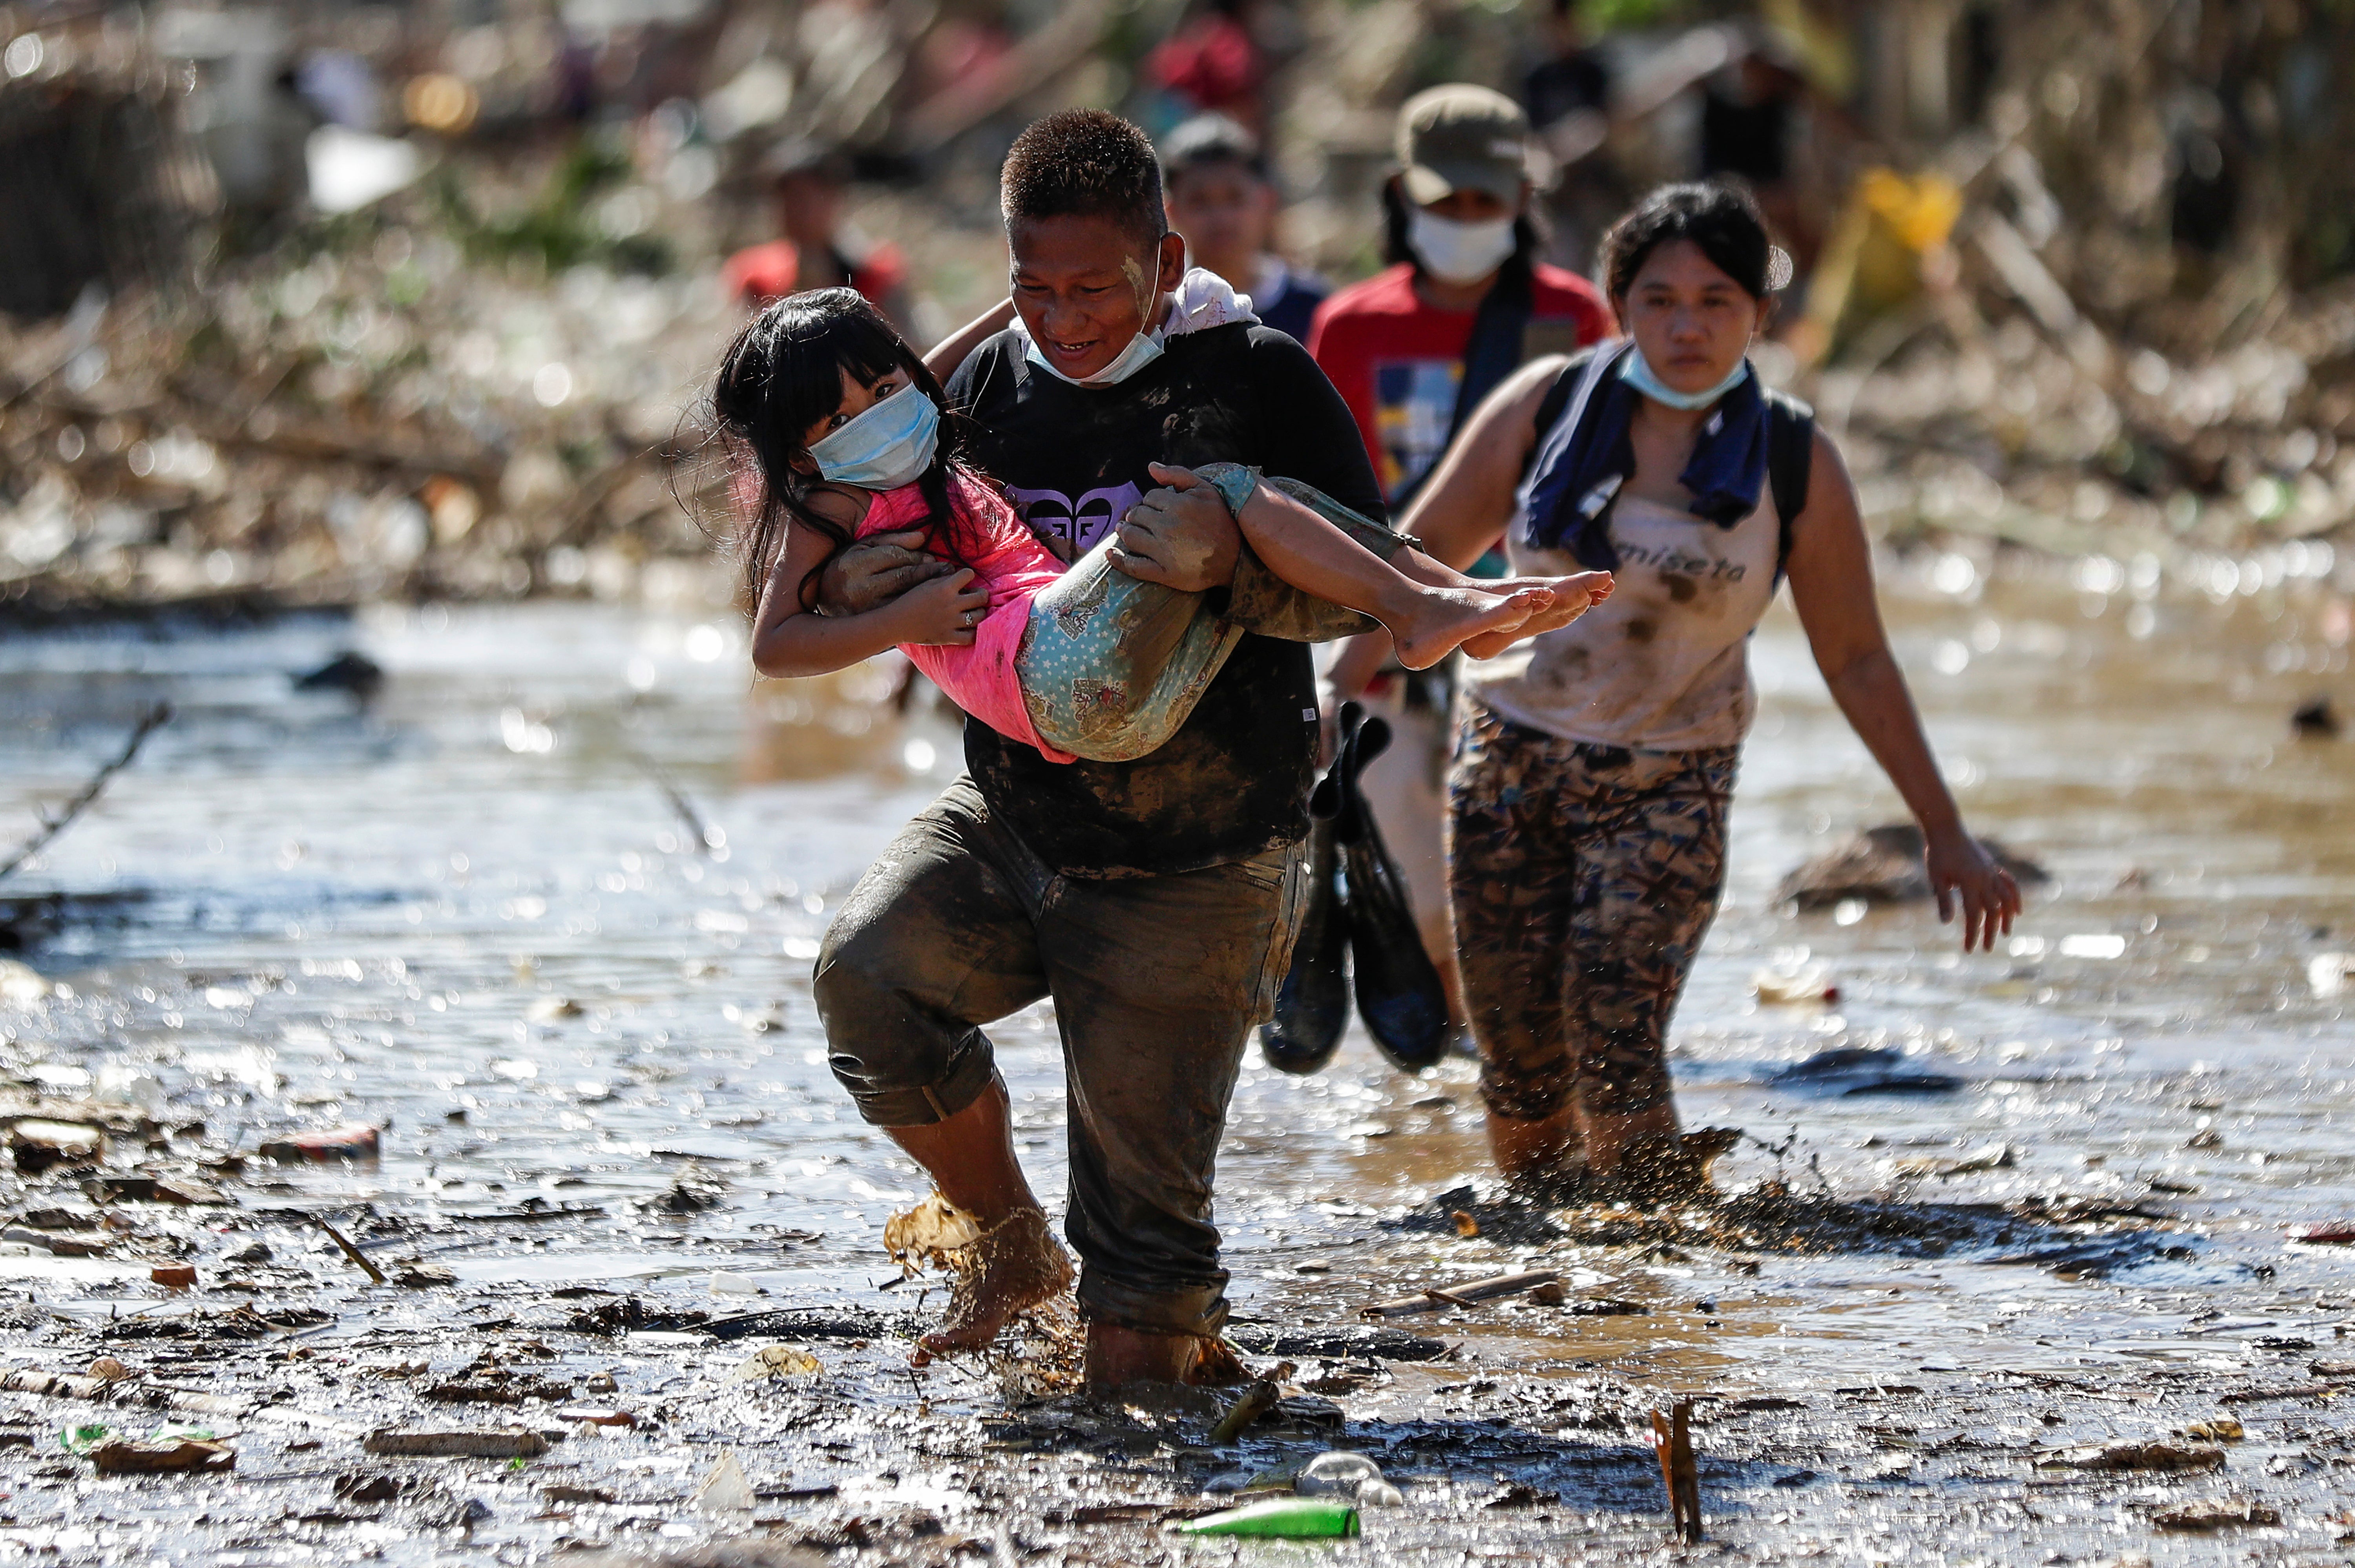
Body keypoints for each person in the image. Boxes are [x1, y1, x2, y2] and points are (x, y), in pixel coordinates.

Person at [804, 110, 1590, 1391]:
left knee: (1140, 1349)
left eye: (1095, 289)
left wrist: (1232, 577)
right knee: (867, 982)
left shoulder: (1255, 376)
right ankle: (1008, 1240)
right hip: (1016, 821)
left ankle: (1152, 1316)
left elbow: (1351, 591)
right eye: (1033, 288)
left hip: (1202, 857)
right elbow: (869, 535)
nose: (1062, 319)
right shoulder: (982, 393)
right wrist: (864, 590)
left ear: (1165, 267)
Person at [1344, 181, 2021, 1196]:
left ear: (1760, 313)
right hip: (1509, 766)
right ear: (1620, 307)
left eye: (1715, 300)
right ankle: (1564, 1270)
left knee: (1615, 1024)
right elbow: (1414, 559)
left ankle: (1661, 1255)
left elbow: (1859, 659)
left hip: (1673, 782)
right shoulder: (1542, 411)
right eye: (1658, 299)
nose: (1686, 325)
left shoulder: (1796, 462)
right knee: (1521, 1066)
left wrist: (1942, 827)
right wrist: (1338, 693)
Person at [711, 287, 1599, 758]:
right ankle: (1422, 607)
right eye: (838, 419)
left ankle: (1446, 595)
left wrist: (1020, 301)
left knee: (1242, 534)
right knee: (1220, 489)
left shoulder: (913, 432)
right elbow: (774, 646)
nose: (875, 414)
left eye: (883, 387)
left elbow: (931, 370)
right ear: (798, 453)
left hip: (1114, 707)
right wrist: (898, 625)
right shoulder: (831, 498)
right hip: (1052, 665)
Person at [1309, 83, 1613, 1020]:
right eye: (1448, 203)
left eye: (1487, 202)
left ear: (1524, 197)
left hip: (1535, 625)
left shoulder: (1578, 319)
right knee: (1408, 847)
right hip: (1389, 626)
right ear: (1403, 194)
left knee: (1533, 850)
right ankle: (1452, 1042)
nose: (1467, 221)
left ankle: (1516, 1038)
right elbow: (1327, 497)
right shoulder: (1352, 326)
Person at [1160, 114, 1328, 343]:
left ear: (1268, 201)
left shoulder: (1311, 306)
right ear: (1171, 211)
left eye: (1235, 198)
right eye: (1199, 202)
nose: (1221, 218)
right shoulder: (1160, 307)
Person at [721, 141, 913, 332]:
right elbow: (741, 346)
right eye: (788, 202)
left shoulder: (875, 273)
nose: (797, 213)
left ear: (835, 200)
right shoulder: (756, 277)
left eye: (806, 201)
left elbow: (907, 341)